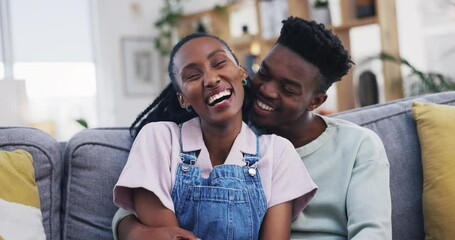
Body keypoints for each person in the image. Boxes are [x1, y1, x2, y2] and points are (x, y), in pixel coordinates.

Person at [113, 16, 392, 239]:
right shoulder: (230, 127)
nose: (267, 91)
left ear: (315, 101)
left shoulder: (357, 146)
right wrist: (133, 230)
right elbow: (138, 205)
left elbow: (371, 233)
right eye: (265, 73)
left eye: (288, 88)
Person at [112, 32, 317, 240]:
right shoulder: (158, 139)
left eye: (219, 63)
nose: (211, 79)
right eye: (192, 75)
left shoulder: (277, 152)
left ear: (242, 73)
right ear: (183, 99)